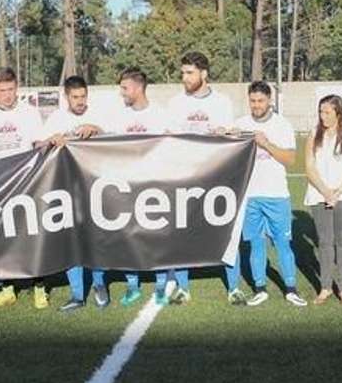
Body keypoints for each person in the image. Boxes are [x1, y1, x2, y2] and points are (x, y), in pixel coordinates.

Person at [0, 67, 50, 309]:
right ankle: (7, 288)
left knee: (31, 235)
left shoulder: (30, 113)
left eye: (11, 89)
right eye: (2, 90)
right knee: (2, 236)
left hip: (27, 183)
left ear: (17, 88)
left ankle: (39, 288)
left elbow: (39, 145)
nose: (7, 95)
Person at [165, 51, 234, 301]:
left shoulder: (222, 102)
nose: (184, 77)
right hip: (184, 177)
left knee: (225, 228)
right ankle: (182, 286)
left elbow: (231, 137)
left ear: (204, 74)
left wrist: (225, 131)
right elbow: (170, 137)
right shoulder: (175, 103)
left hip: (215, 178)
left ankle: (234, 287)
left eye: (189, 72)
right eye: (182, 73)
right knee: (181, 230)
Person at [109, 69, 178, 306]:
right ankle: (132, 285)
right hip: (127, 188)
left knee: (156, 237)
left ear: (138, 88)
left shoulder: (161, 115)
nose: (121, 93)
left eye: (124, 88)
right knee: (129, 237)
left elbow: (175, 145)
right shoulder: (118, 116)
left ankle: (160, 286)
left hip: (154, 188)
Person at [233, 81, 305, 308]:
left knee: (283, 243)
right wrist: (224, 133)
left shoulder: (282, 125)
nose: (256, 105)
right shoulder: (240, 124)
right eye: (252, 101)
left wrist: (266, 144)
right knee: (255, 243)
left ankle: (291, 289)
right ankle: (260, 288)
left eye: (260, 101)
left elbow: (290, 159)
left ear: (269, 101)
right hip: (250, 196)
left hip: (276, 195)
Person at [44, 76, 109, 311]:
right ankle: (77, 294)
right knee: (69, 240)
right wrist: (51, 140)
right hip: (64, 188)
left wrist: (97, 129)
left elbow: (118, 142)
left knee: (95, 238)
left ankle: (100, 285)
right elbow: (38, 147)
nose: (80, 101)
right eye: (75, 97)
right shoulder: (56, 118)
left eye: (83, 96)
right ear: (66, 97)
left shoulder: (99, 114)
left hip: (94, 186)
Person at [304, 94, 342, 304]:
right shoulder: (314, 134)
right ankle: (325, 287)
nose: (323, 117)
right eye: (320, 112)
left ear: (339, 113)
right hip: (319, 195)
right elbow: (309, 167)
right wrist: (325, 191)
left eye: (327, 112)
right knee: (325, 242)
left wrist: (338, 191)